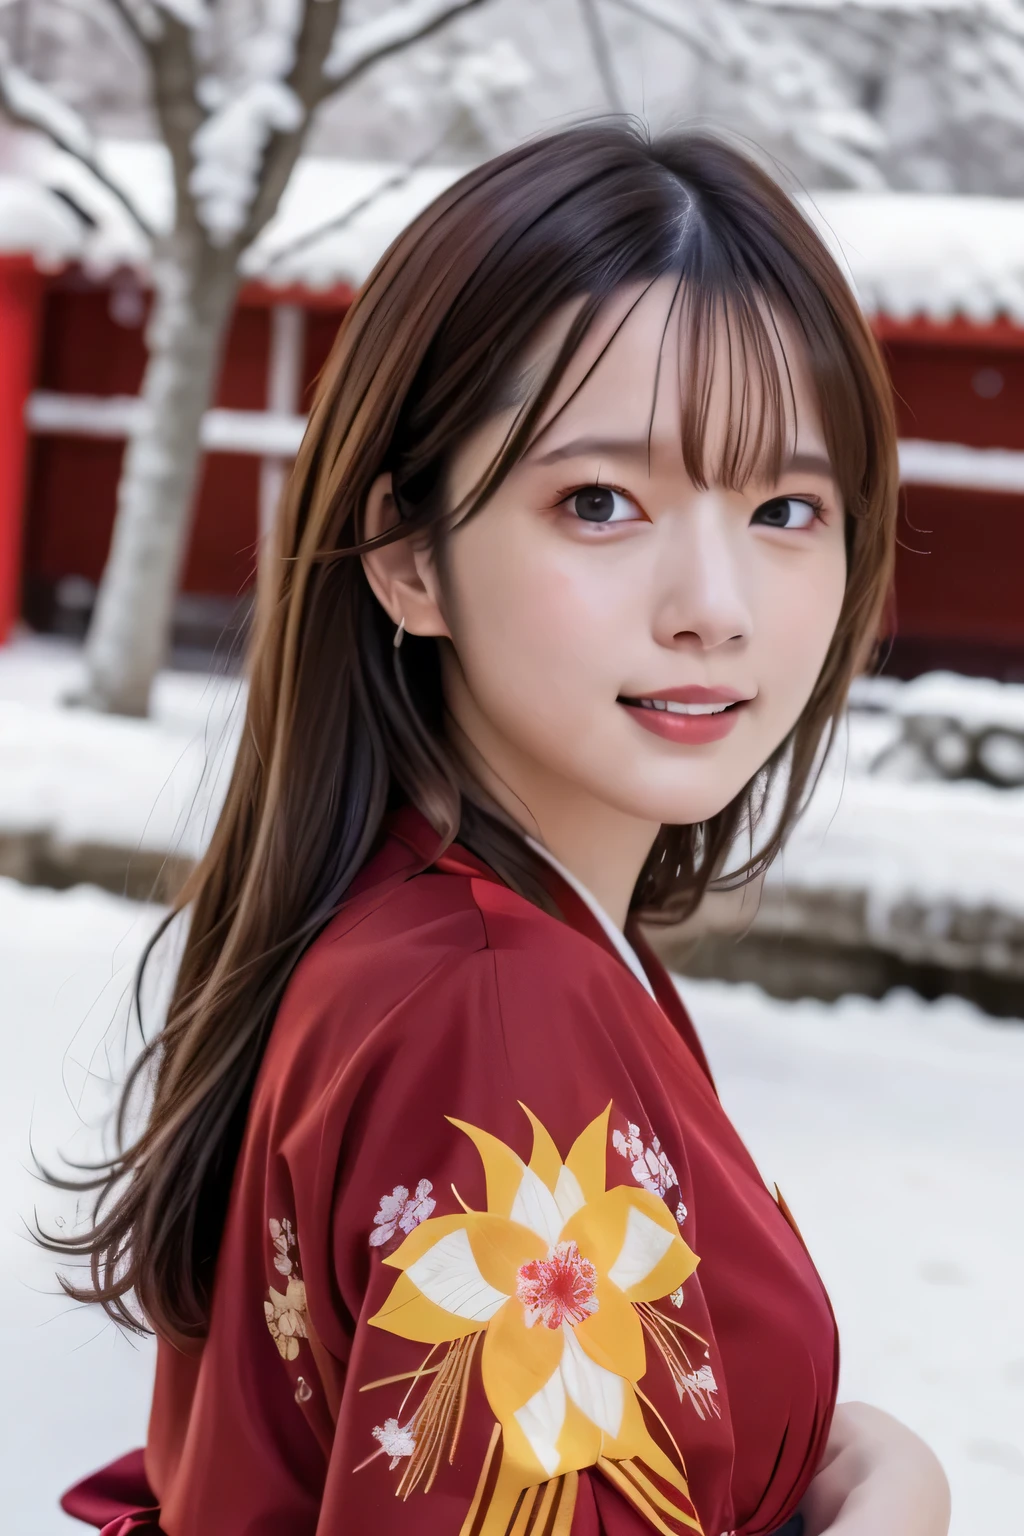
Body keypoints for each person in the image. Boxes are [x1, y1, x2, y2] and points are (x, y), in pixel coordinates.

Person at [54, 122, 951, 1536]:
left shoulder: (417, 930)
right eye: (600, 501)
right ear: (409, 558)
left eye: (786, 506)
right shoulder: (496, 1008)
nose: (715, 602)